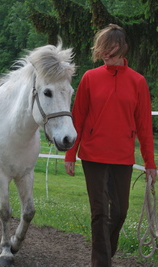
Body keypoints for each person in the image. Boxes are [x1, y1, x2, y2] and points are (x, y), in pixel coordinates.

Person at [64, 24, 157, 267]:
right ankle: (101, 263)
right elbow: (79, 117)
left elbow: (145, 126)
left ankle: (105, 252)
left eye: (110, 48)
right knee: (99, 213)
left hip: (123, 157)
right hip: (93, 155)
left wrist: (150, 162)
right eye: (102, 48)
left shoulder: (137, 82)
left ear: (122, 47)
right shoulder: (90, 78)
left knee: (119, 212)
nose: (105, 52)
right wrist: (71, 154)